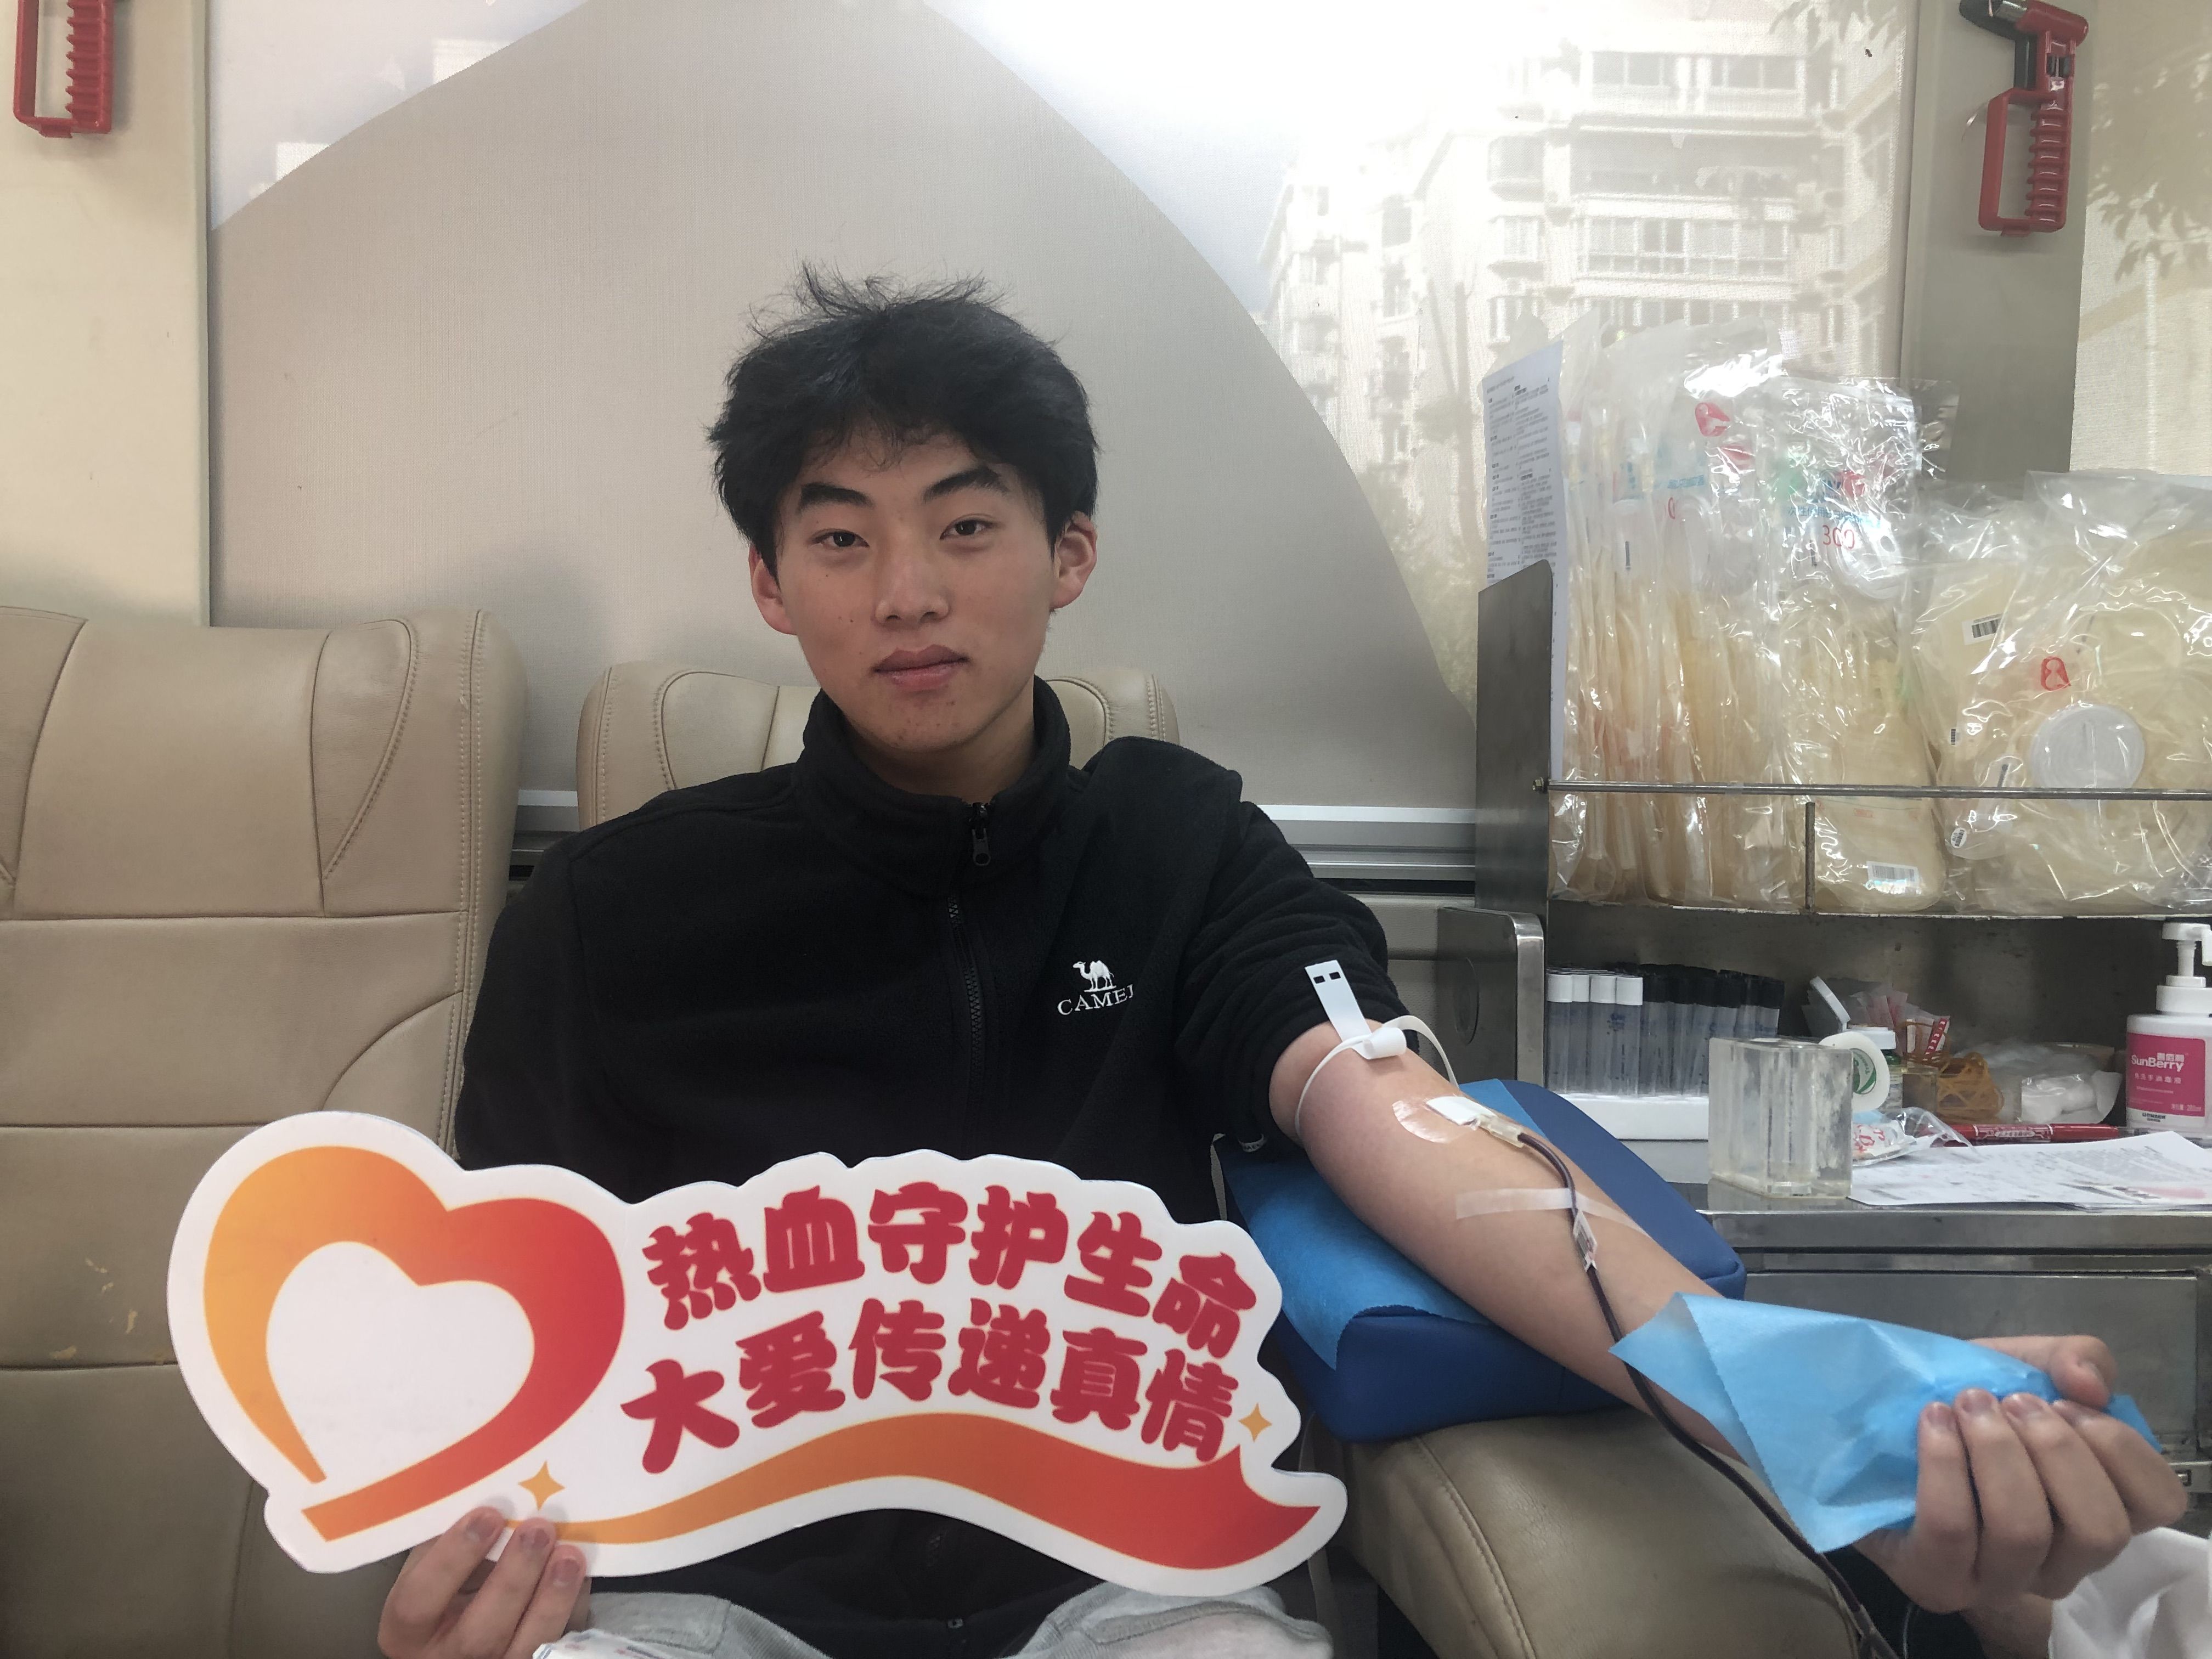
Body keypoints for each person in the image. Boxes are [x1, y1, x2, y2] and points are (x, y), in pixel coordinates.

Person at [376, 272, 2185, 1659]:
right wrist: (446, 1564)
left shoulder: (1180, 847)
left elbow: (1387, 1111)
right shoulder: (611, 910)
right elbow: (499, 1318)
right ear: (774, 586)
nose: (905, 590)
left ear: (1070, 555)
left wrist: (1803, 1406)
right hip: (710, 1593)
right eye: (840, 537)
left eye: (966, 524)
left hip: (1123, 1577)